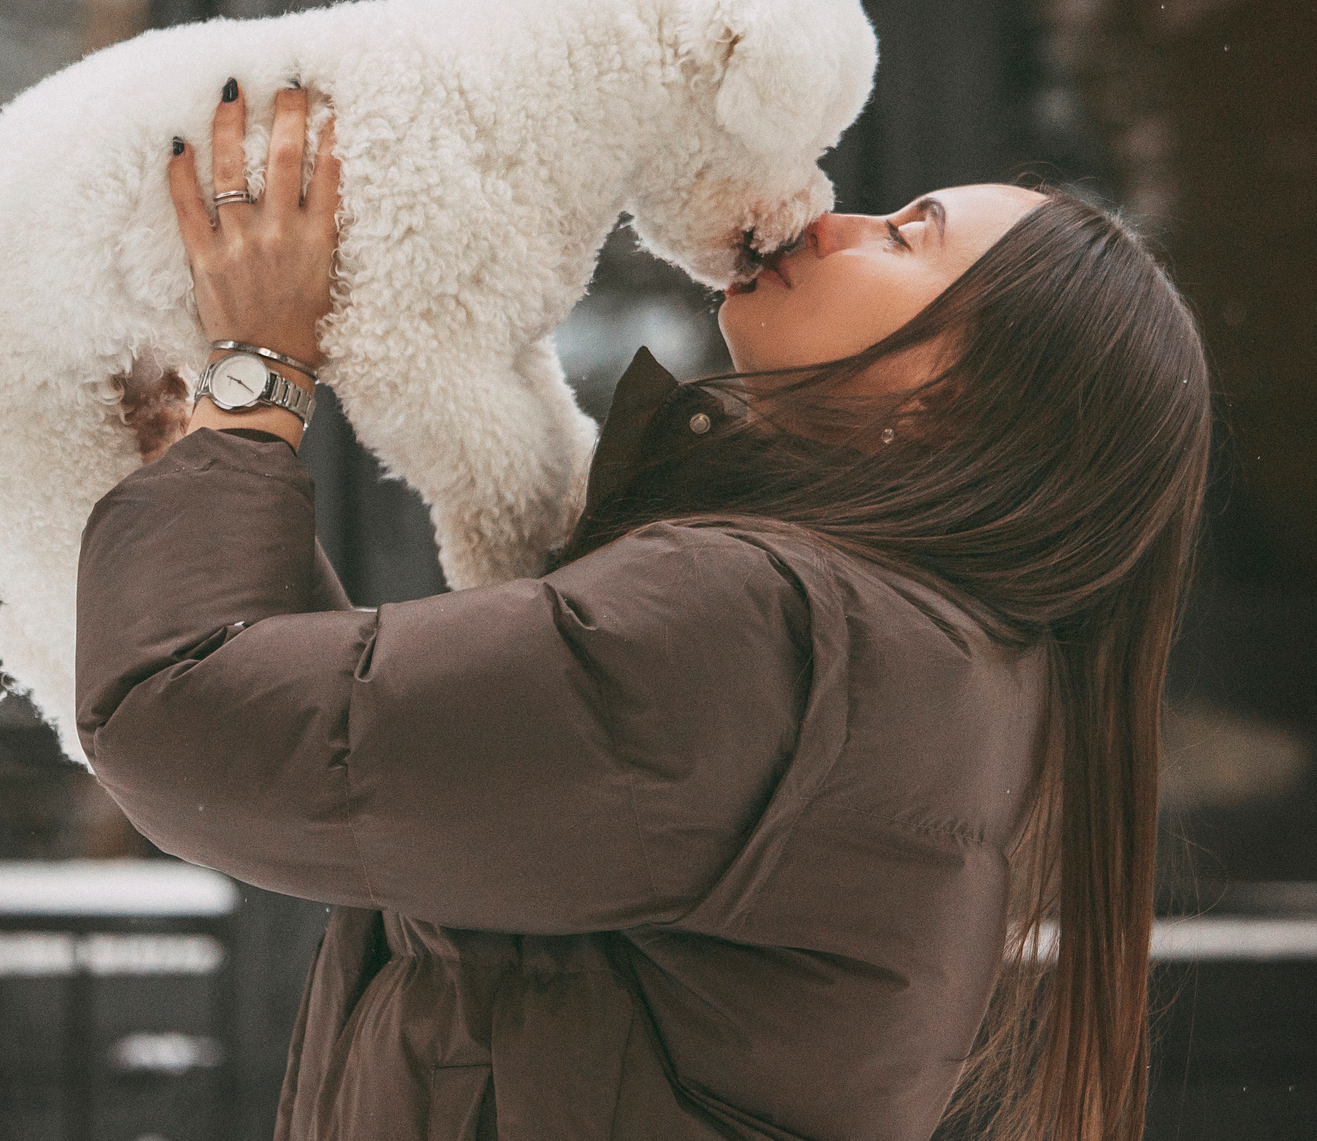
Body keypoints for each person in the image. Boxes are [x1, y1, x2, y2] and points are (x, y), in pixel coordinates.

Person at [77, 81, 1213, 1141]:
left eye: (907, 236)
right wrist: (223, 473)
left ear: (950, 405)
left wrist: (262, 368)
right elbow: (353, 757)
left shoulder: (759, 633)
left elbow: (186, 722)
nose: (835, 219)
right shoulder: (912, 657)